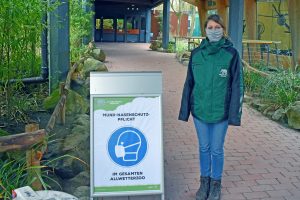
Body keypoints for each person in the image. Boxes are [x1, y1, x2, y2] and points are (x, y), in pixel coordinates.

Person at [178, 14, 244, 200]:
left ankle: (216, 184)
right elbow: (189, 83)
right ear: (205, 30)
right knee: (204, 148)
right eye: (210, 28)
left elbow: (237, 85)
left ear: (223, 29)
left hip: (220, 113)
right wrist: (185, 111)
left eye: (217, 27)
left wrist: (234, 114)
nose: (214, 31)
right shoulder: (197, 54)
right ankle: (204, 182)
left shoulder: (231, 54)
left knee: (216, 149)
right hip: (200, 110)